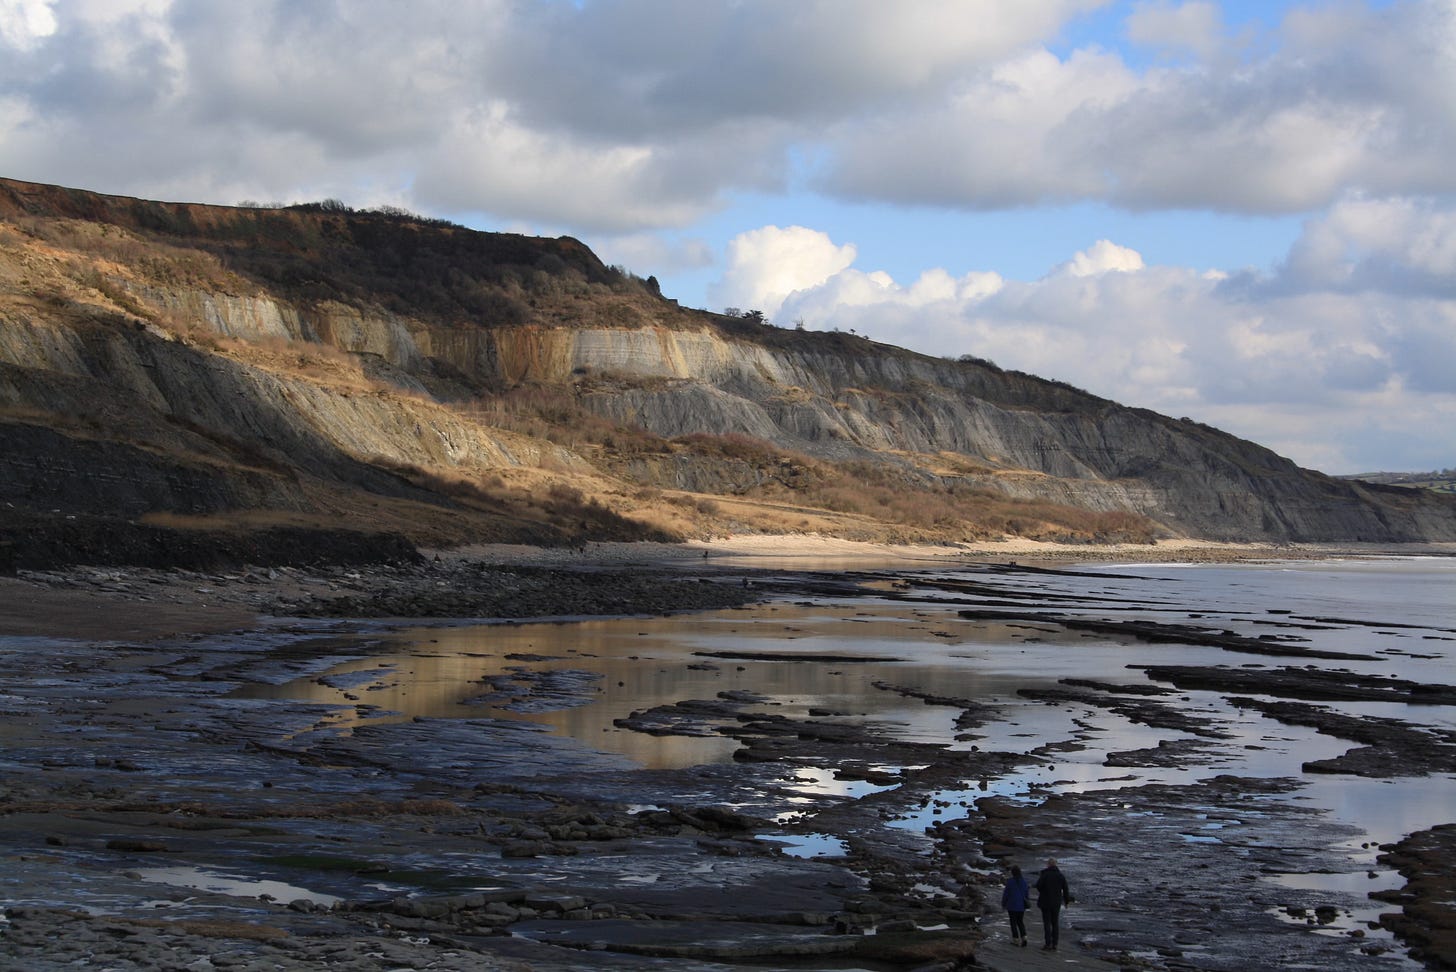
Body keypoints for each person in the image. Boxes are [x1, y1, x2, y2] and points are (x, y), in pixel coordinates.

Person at [1034, 857, 1073, 950]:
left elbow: (1038, 886)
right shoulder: (1060, 875)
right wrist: (1066, 901)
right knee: (1055, 923)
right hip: (1056, 903)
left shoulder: (1045, 875)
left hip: (1045, 902)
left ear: (1048, 864)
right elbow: (1066, 889)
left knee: (1047, 923)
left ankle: (1048, 943)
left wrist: (1043, 891)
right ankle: (1055, 944)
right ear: (1056, 864)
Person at [1000, 864, 1031, 946]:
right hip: (1021, 906)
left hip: (1012, 905)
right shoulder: (1024, 882)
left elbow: (1006, 894)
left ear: (1013, 873)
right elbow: (1027, 895)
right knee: (1020, 922)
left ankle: (1016, 939)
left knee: (1013, 922)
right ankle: (1024, 937)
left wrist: (1003, 904)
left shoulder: (1010, 882)